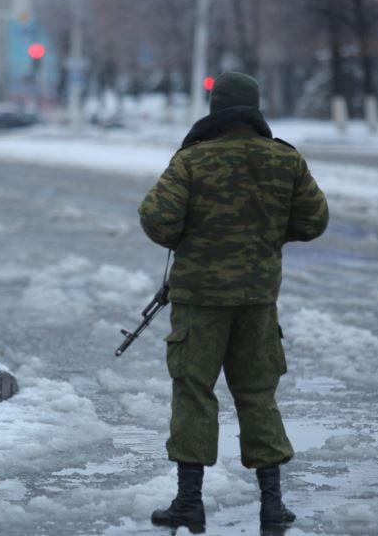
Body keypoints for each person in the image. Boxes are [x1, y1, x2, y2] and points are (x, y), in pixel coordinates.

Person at [138, 72, 329, 533]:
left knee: (193, 393)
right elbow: (314, 220)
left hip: (199, 302)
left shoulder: (193, 160)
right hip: (258, 302)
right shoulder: (285, 160)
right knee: (258, 394)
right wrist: (266, 235)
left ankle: (189, 503)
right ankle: (272, 505)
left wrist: (197, 238)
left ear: (214, 107)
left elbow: (156, 219)